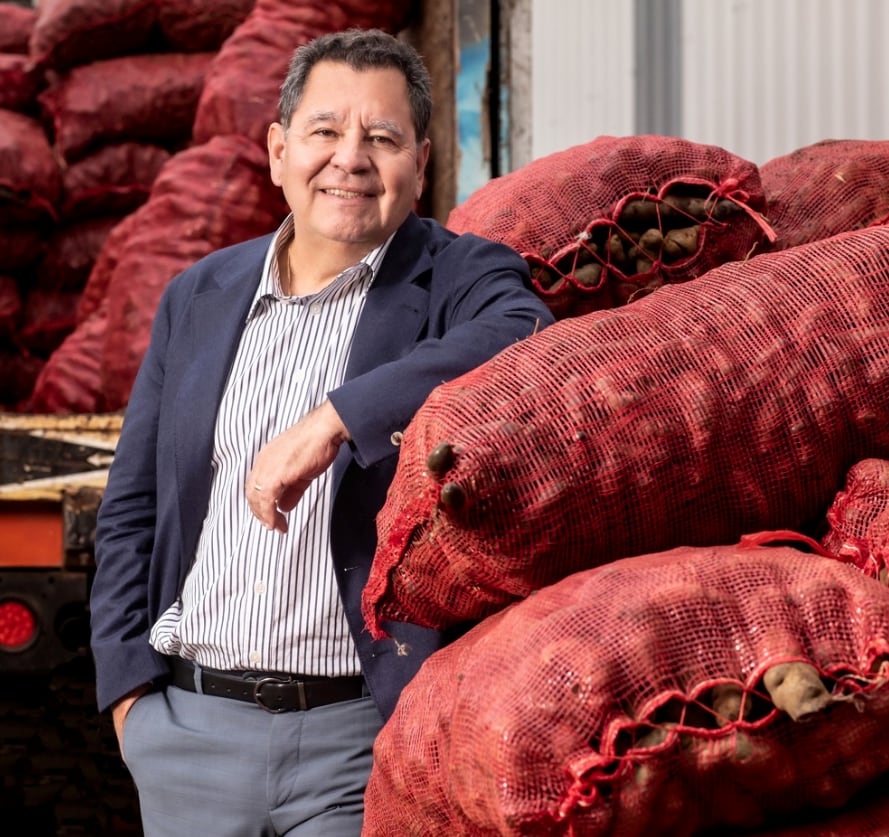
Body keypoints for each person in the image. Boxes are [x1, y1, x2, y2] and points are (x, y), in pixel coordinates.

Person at [89, 27, 554, 837]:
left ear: (422, 160)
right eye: (325, 132)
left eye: (381, 137)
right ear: (278, 151)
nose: (351, 158)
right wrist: (132, 700)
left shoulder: (457, 278)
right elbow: (131, 508)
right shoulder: (199, 293)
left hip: (356, 735)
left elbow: (522, 331)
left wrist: (337, 420)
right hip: (188, 733)